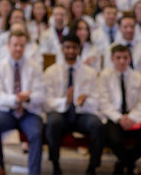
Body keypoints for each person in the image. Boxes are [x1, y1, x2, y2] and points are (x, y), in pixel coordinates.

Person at [0, 29, 45, 175]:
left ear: (26, 47)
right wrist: (16, 99)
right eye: (15, 45)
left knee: (36, 133)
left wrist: (28, 98)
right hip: (8, 110)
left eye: (22, 45)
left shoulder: (35, 67)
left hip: (29, 111)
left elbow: (41, 95)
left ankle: (34, 172)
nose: (18, 48)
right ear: (8, 45)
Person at [44, 34, 104, 175]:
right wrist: (65, 101)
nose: (71, 51)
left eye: (74, 48)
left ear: (79, 49)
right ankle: (55, 164)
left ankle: (92, 167)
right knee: (52, 122)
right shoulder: (51, 71)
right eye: (67, 47)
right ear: (62, 49)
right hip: (60, 113)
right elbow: (46, 102)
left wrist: (84, 101)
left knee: (97, 125)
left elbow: (96, 100)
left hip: (81, 113)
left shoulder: (90, 72)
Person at [98, 44, 141, 175]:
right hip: (114, 117)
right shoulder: (104, 76)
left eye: (125, 57)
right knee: (113, 139)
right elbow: (104, 102)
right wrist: (119, 118)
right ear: (112, 59)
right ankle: (130, 165)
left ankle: (123, 163)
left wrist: (132, 118)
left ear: (130, 59)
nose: (122, 61)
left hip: (134, 117)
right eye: (118, 58)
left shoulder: (138, 76)